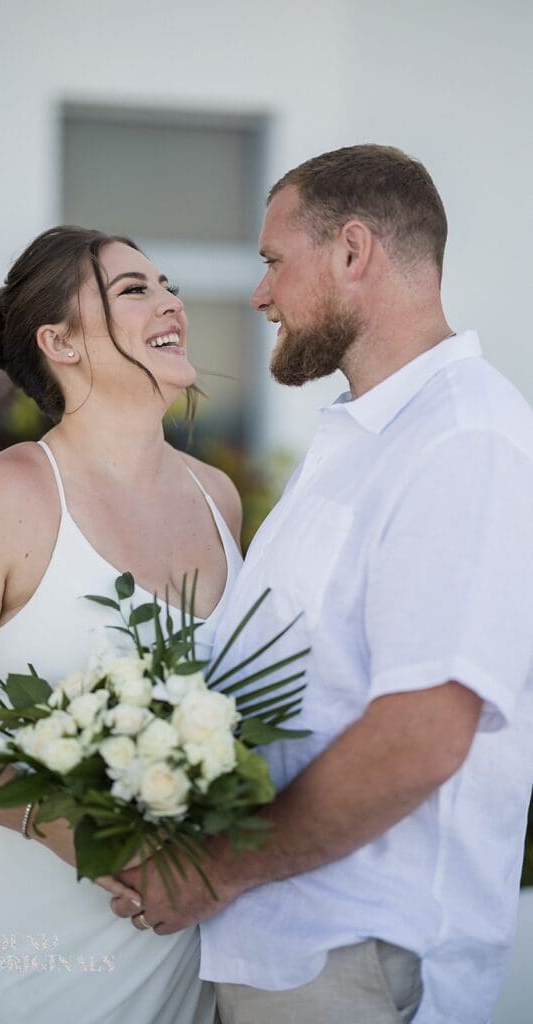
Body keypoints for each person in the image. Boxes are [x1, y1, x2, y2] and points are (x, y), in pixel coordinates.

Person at [110, 144, 533, 1023]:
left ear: (351, 252)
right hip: (283, 950)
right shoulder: (360, 437)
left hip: (361, 959)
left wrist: (211, 870)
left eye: (271, 261)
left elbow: (421, 732)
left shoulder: (465, 441)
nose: (258, 294)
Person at [0, 225, 243, 1023]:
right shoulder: (4, 498)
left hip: (191, 930)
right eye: (133, 289)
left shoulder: (218, 496)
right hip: (37, 947)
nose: (170, 299)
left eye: (165, 283)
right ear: (60, 342)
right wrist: (61, 823)